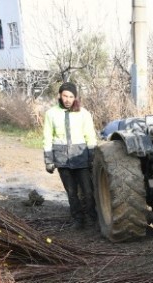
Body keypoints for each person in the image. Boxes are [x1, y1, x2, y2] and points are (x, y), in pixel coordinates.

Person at [42, 82, 98, 230]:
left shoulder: (84, 113)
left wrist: (92, 155)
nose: (67, 99)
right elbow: (47, 137)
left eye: (71, 96)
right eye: (65, 96)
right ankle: (78, 220)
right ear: (60, 95)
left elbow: (90, 135)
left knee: (88, 191)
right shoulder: (51, 114)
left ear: (75, 98)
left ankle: (92, 218)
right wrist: (48, 160)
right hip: (62, 158)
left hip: (81, 157)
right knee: (71, 192)